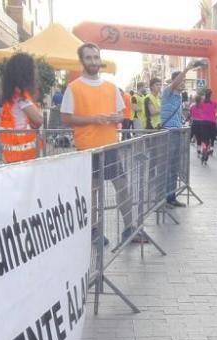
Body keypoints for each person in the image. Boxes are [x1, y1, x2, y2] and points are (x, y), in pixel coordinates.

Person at [60, 43, 139, 243]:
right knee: (93, 191)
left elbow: (122, 114)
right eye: (89, 58)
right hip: (87, 147)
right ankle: (94, 231)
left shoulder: (111, 88)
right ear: (82, 61)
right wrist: (94, 119)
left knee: (122, 186)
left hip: (110, 146)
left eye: (96, 57)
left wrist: (116, 118)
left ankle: (130, 228)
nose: (94, 61)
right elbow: (66, 118)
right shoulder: (74, 87)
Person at [161, 60, 204, 206]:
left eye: (184, 81)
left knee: (174, 166)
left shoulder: (179, 97)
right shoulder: (168, 91)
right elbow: (174, 84)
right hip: (169, 133)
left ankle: (171, 197)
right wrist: (186, 69)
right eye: (181, 80)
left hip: (177, 133)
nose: (183, 83)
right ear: (174, 81)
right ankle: (165, 197)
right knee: (168, 166)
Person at [0, 52, 44, 164]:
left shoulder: (11, 95)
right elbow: (38, 119)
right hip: (23, 154)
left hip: (10, 152)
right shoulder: (21, 97)